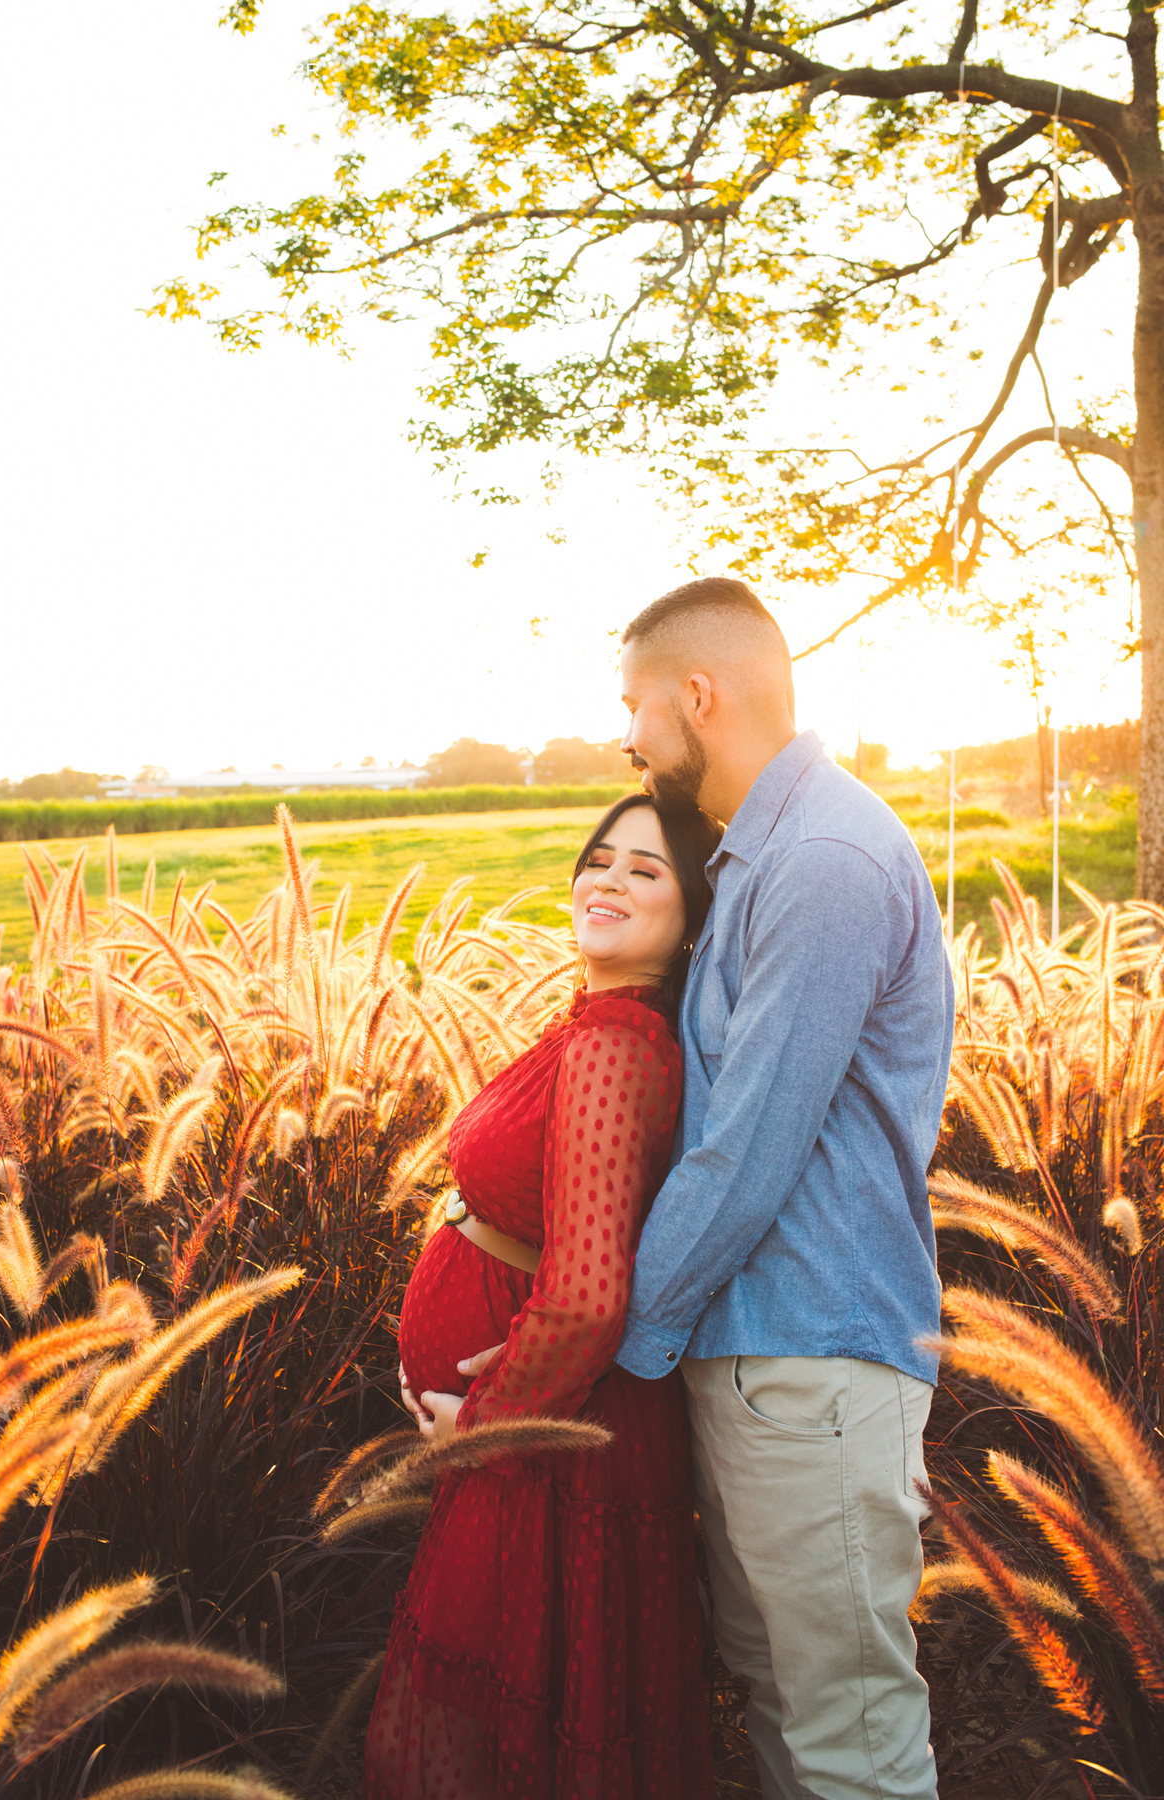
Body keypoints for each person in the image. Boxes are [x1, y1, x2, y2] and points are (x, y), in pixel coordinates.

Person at [615, 577, 953, 1800]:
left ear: (698, 695)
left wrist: (623, 1334)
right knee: (779, 1704)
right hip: (761, 1359)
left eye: (637, 709)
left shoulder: (820, 858)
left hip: (812, 1364)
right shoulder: (760, 858)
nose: (631, 741)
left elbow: (749, 1149)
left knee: (848, 1744)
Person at [362, 792, 723, 1800]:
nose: (607, 880)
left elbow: (588, 1297)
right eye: (599, 859)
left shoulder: (616, 1044)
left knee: (516, 1724)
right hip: (547, 1431)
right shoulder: (598, 1027)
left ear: (693, 916)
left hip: (553, 1445)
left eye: (645, 871)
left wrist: (481, 1425)